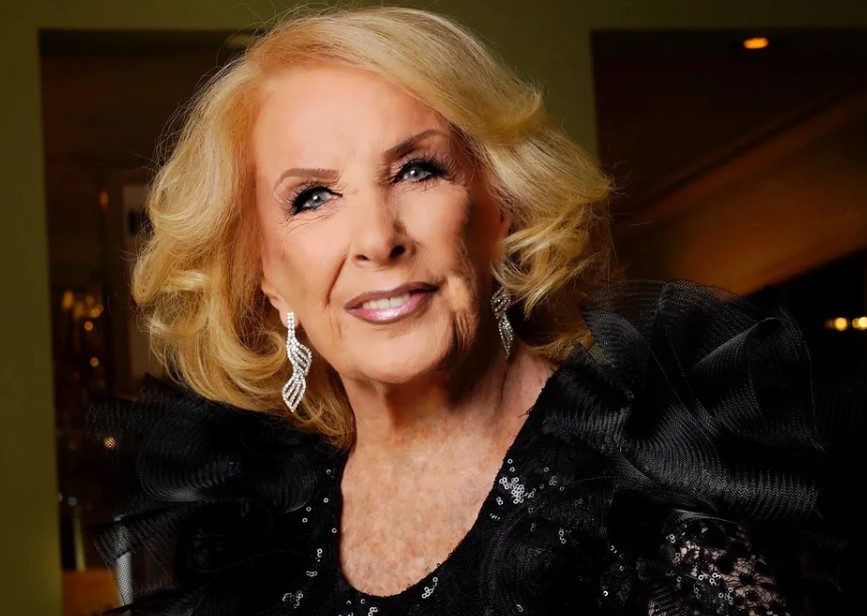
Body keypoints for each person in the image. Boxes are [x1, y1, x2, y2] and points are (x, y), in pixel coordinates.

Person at [88, 6, 865, 615]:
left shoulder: (650, 480)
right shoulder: (254, 532)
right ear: (266, 274)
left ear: (500, 207)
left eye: (417, 171)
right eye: (313, 197)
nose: (377, 239)